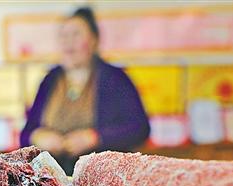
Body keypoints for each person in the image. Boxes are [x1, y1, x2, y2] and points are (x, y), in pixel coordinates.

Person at [20, 7, 149, 175]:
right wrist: (37, 137)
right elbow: (25, 134)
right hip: (54, 178)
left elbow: (140, 129)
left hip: (102, 176)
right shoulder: (50, 79)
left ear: (94, 40)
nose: (68, 41)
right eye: (64, 35)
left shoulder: (116, 79)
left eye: (76, 34)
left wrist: (95, 137)